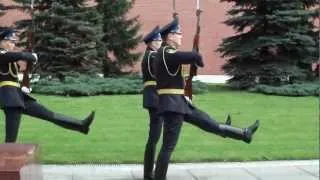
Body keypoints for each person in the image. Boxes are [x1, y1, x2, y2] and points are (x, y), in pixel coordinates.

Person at [153, 18, 260, 180]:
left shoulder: (167, 54)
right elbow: (192, 55)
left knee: (210, 124)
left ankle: (244, 134)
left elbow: (174, 76)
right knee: (168, 146)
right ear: (170, 36)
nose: (181, 36)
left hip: (179, 103)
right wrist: (198, 59)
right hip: (172, 106)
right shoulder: (166, 53)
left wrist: (183, 95)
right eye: (179, 33)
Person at [0, 28, 95, 143]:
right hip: (9, 98)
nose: (13, 44)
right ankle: (8, 157)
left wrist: (24, 84)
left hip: (18, 96)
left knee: (48, 114)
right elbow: (13, 56)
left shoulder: (8, 56)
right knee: (11, 137)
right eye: (10, 41)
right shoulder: (3, 55)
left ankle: (81, 125)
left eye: (14, 42)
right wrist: (29, 56)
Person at [141, 26, 163, 180]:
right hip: (155, 98)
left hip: (154, 97)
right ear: (151, 42)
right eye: (158, 40)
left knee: (154, 136)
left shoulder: (151, 55)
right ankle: (149, 173)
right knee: (154, 137)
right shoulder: (152, 56)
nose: (161, 42)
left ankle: (149, 172)